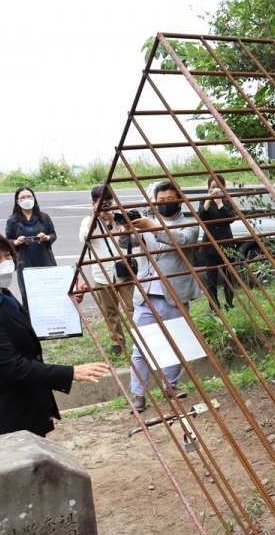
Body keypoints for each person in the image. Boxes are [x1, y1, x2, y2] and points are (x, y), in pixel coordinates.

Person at [0, 227, 109, 440]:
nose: (6, 263)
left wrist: (66, 304)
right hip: (9, 418)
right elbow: (11, 366)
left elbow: (21, 327)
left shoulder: (0, 294)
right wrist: (69, 373)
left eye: (7, 255)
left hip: (27, 406)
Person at [121, 180, 200, 411]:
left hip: (174, 295)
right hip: (145, 297)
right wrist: (125, 229)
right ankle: (138, 394)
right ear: (154, 202)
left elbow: (183, 241)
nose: (165, 203)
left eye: (170, 200)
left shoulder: (189, 225)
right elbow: (126, 242)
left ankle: (170, 386)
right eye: (161, 200)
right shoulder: (145, 223)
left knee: (176, 344)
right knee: (141, 349)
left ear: (179, 201)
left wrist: (153, 226)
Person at [78, 186, 135, 356]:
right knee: (110, 311)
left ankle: (141, 339)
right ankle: (117, 342)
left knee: (133, 307)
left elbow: (129, 237)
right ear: (93, 203)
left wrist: (113, 220)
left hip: (123, 271)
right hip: (102, 274)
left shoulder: (119, 218)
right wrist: (94, 216)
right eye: (102, 204)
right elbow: (84, 238)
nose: (106, 207)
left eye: (109, 203)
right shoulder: (87, 221)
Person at [4, 187, 57, 308]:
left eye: (29, 197)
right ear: (17, 201)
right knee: (29, 295)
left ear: (34, 199)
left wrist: (46, 237)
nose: (26, 199)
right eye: (23, 197)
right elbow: (7, 241)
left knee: (49, 292)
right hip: (25, 262)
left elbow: (53, 234)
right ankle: (31, 324)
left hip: (44, 259)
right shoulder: (12, 221)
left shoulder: (44, 217)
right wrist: (17, 242)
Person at [197, 174, 236, 311]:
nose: (216, 190)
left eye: (219, 187)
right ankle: (214, 307)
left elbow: (231, 218)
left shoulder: (228, 201)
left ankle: (230, 305)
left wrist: (220, 204)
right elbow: (201, 217)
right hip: (210, 245)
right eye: (213, 187)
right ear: (208, 188)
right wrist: (208, 200)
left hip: (226, 244)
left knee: (229, 277)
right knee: (211, 278)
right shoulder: (204, 201)